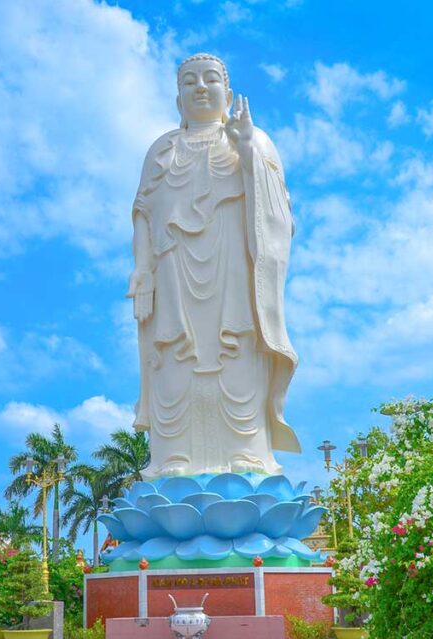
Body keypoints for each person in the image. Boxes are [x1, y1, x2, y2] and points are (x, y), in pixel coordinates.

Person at [127, 53, 301, 479]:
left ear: (227, 92)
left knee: (238, 347)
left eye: (210, 80)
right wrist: (143, 269)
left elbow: (280, 216)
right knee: (172, 353)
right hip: (173, 271)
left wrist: (245, 149)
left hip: (233, 269)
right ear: (178, 98)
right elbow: (144, 215)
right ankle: (172, 457)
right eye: (190, 82)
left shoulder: (252, 140)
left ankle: (247, 453)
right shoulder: (161, 150)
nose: (200, 87)